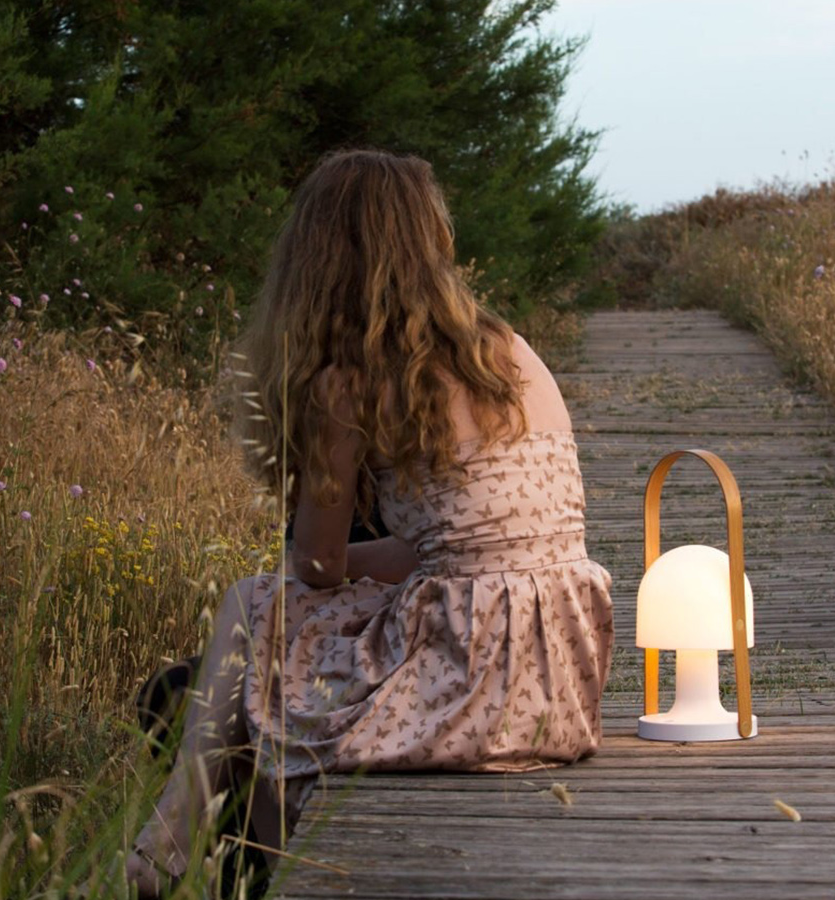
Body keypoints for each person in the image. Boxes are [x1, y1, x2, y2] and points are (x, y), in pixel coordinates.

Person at [126, 148, 613, 897]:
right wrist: (370, 570)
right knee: (275, 646)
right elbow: (469, 549)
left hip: (475, 678)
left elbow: (317, 564)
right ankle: (196, 858)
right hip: (560, 679)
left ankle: (163, 850)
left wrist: (334, 570)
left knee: (252, 610)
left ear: (318, 259)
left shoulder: (350, 381)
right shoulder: (509, 352)